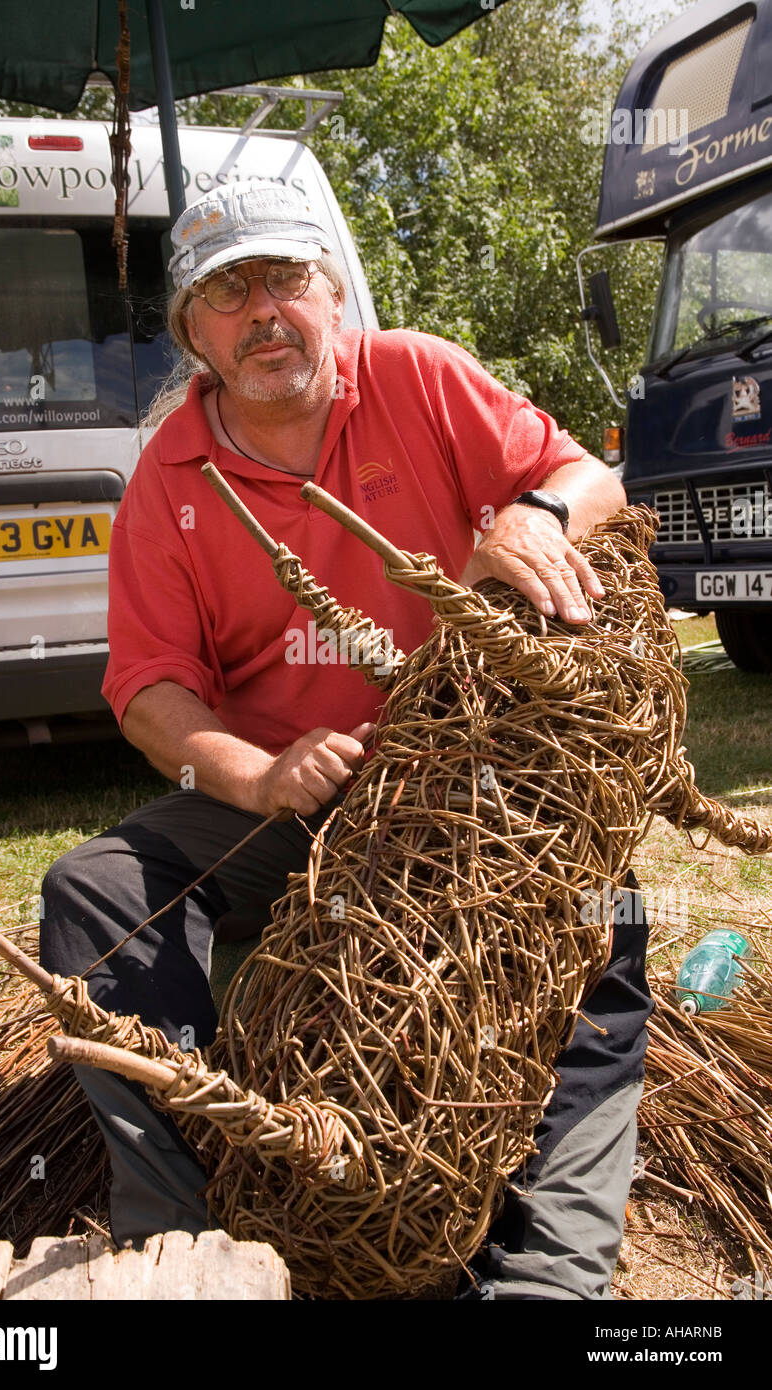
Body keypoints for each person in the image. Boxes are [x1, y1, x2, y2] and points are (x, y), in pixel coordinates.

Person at [39, 183, 653, 1300]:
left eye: (286, 279)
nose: (264, 311)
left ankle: (546, 1272)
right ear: (193, 330)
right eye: (229, 291)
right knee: (93, 890)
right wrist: (258, 773)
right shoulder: (169, 481)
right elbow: (147, 693)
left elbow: (591, 475)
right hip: (283, 802)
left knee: (598, 919)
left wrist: (540, 512)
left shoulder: (417, 376)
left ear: (331, 293)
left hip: (462, 789)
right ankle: (181, 1235)